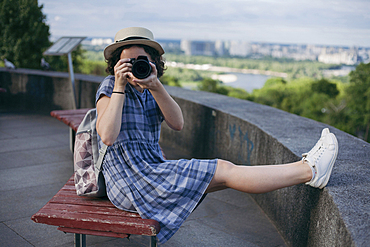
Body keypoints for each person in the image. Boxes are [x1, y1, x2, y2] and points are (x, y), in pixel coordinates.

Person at [96, 27, 338, 244]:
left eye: (142, 60)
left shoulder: (151, 89)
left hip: (150, 172)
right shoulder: (110, 87)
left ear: (154, 63)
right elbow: (107, 136)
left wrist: (156, 85)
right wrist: (119, 86)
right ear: (116, 64)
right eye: (127, 61)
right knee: (223, 170)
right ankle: (309, 170)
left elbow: (177, 123)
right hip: (129, 181)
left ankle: (308, 170)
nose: (134, 66)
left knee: (222, 176)